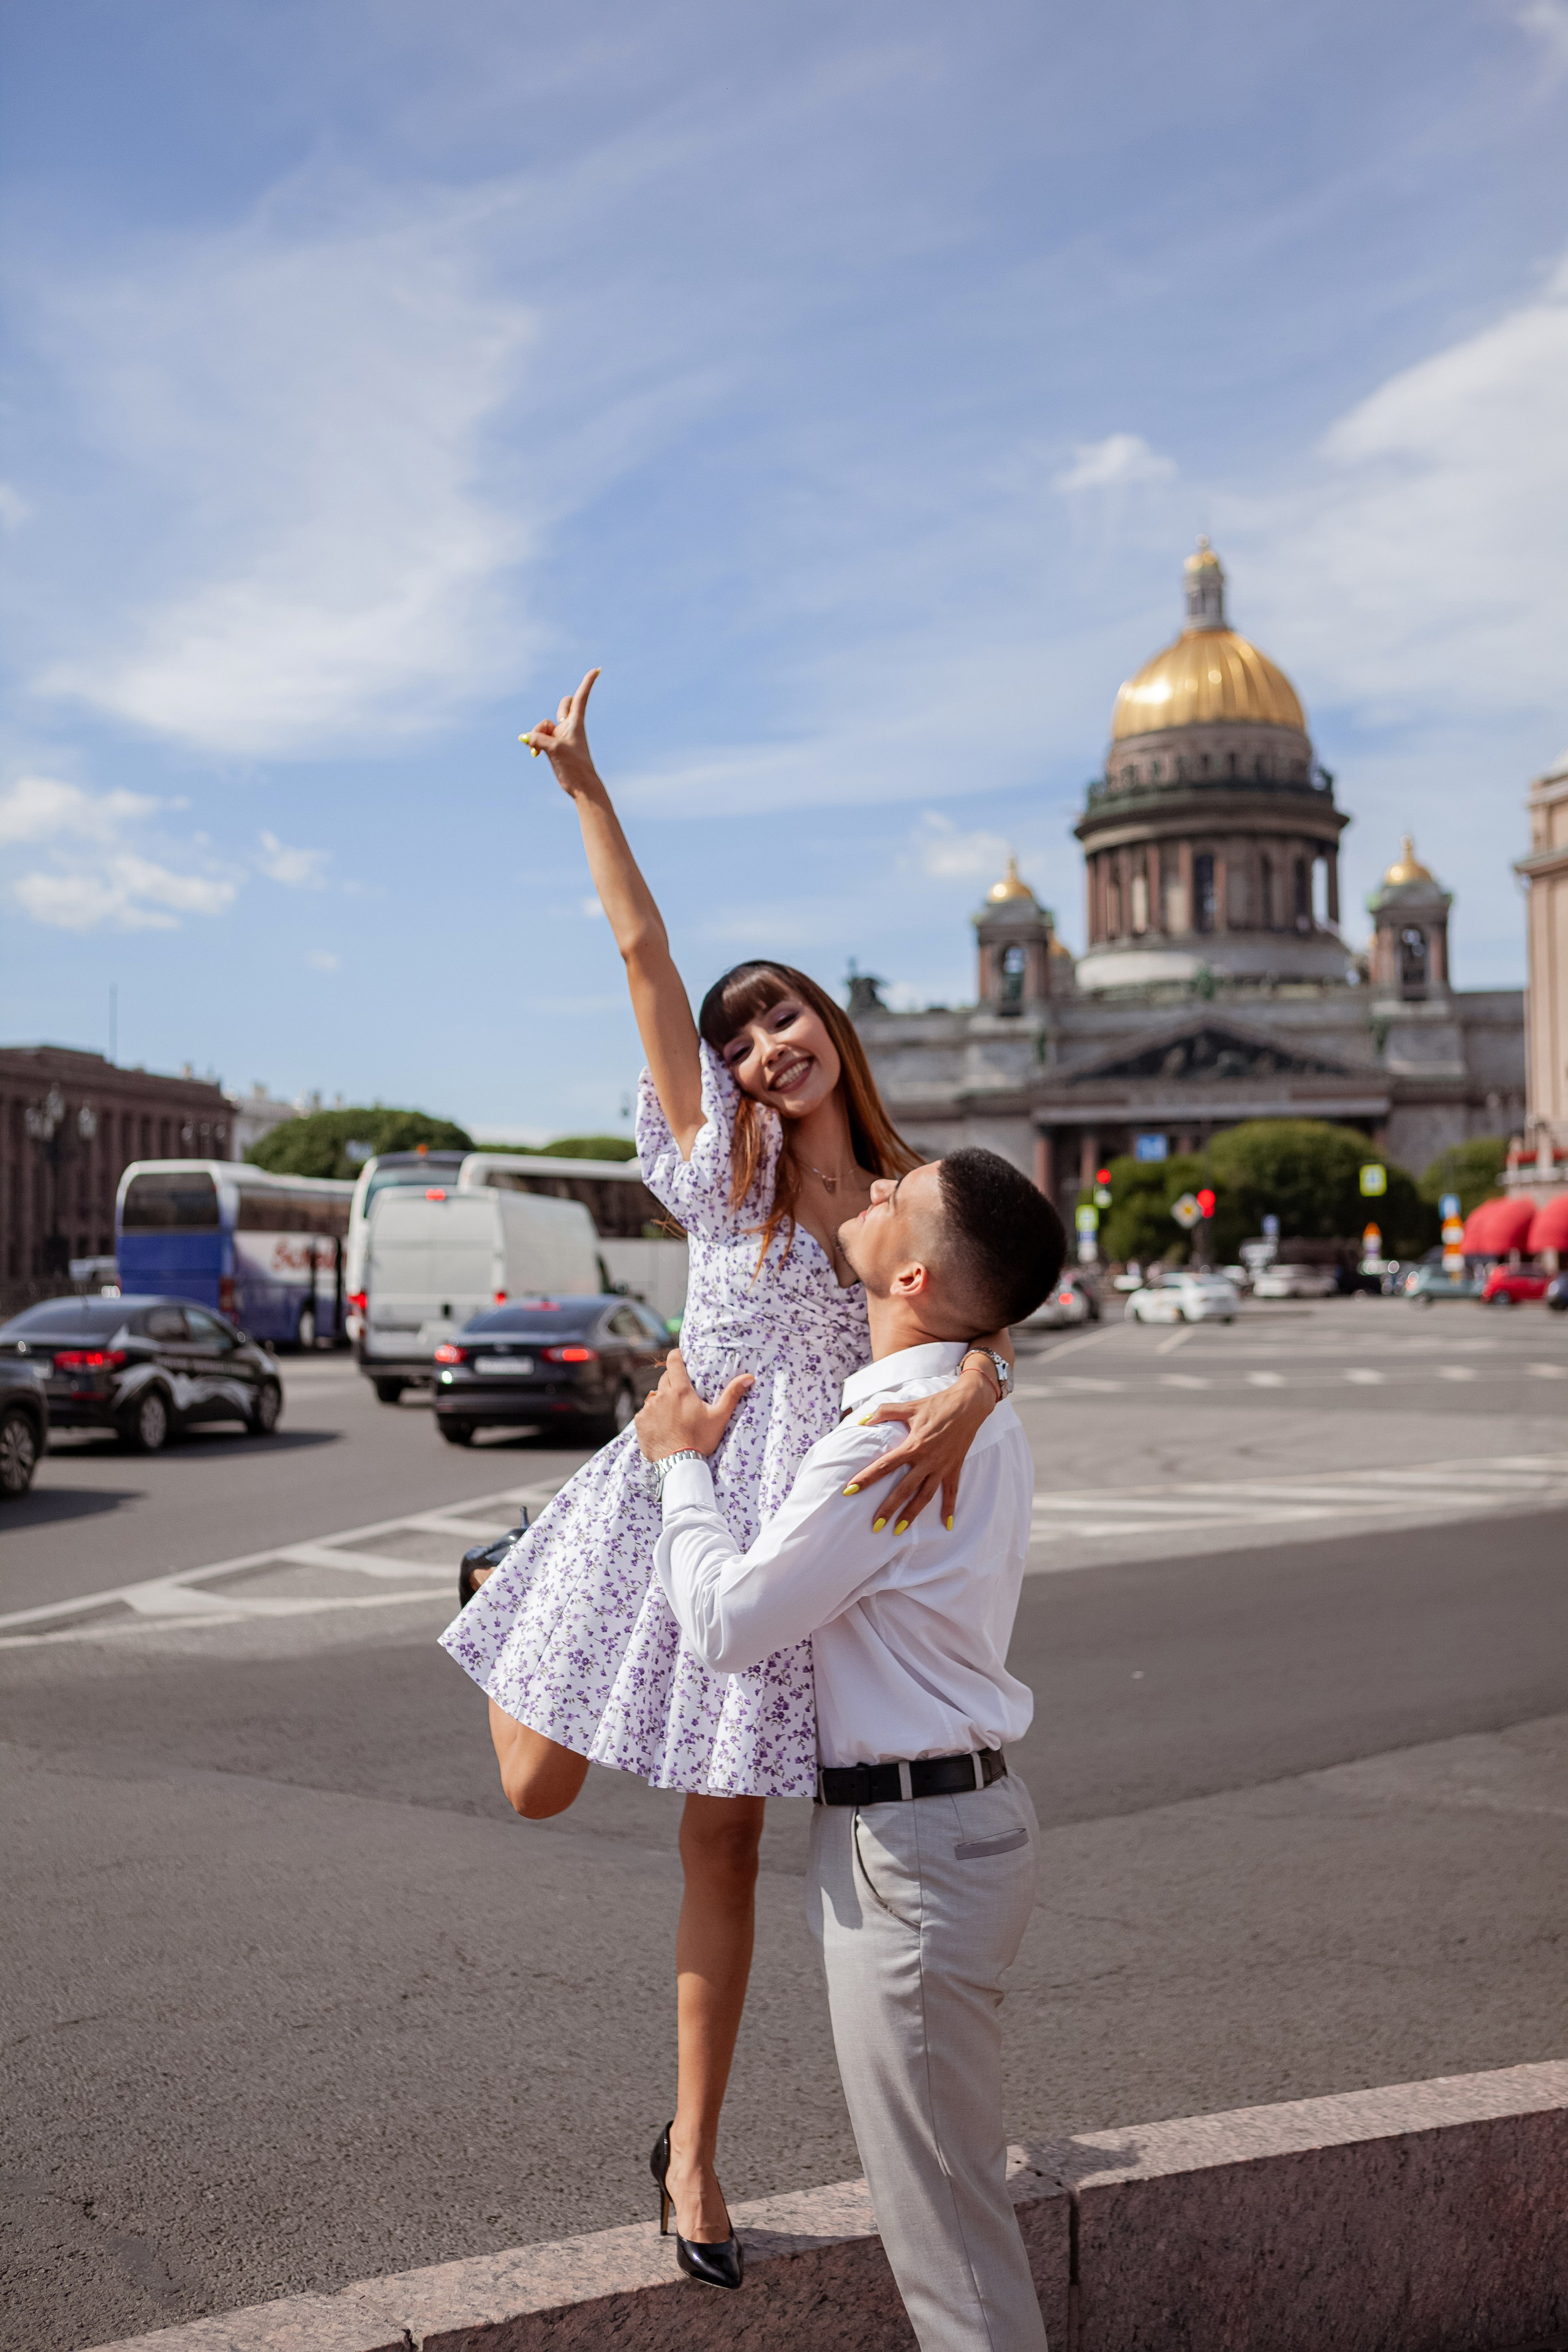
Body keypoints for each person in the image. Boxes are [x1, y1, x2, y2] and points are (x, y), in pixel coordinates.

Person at [439, 670, 1016, 2288]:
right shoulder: (726, 1173)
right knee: (533, 1792)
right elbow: (642, 954)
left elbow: (985, 1304)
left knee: (720, 1845)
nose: (765, 1045)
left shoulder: (910, 1196)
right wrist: (583, 785)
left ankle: (692, 2158)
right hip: (672, 1487)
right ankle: (505, 1582)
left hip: (780, 1547)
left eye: (786, 1016)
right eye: (740, 1031)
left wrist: (976, 1380)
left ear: (833, 1027)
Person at [637, 1147, 1066, 2352]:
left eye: (895, 1199)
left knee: (950, 2250)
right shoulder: (966, 1410)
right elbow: (984, 1348)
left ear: (915, 1271)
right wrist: (984, 1372)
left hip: (910, 1851)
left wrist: (676, 1464)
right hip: (950, 1824)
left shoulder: (887, 1435)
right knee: (947, 2202)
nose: (868, 1194)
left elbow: (725, 1622)